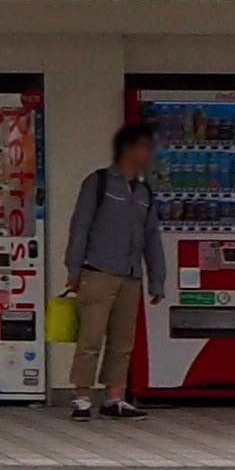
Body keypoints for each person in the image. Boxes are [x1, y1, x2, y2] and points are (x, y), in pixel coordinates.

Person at [62, 121, 161, 417]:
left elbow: (152, 236)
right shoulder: (99, 182)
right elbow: (80, 227)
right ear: (128, 149)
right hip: (98, 271)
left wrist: (157, 278)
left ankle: (114, 397)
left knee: (122, 340)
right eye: (145, 147)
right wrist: (74, 268)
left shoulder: (145, 191)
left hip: (131, 276)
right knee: (91, 337)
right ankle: (81, 397)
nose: (149, 153)